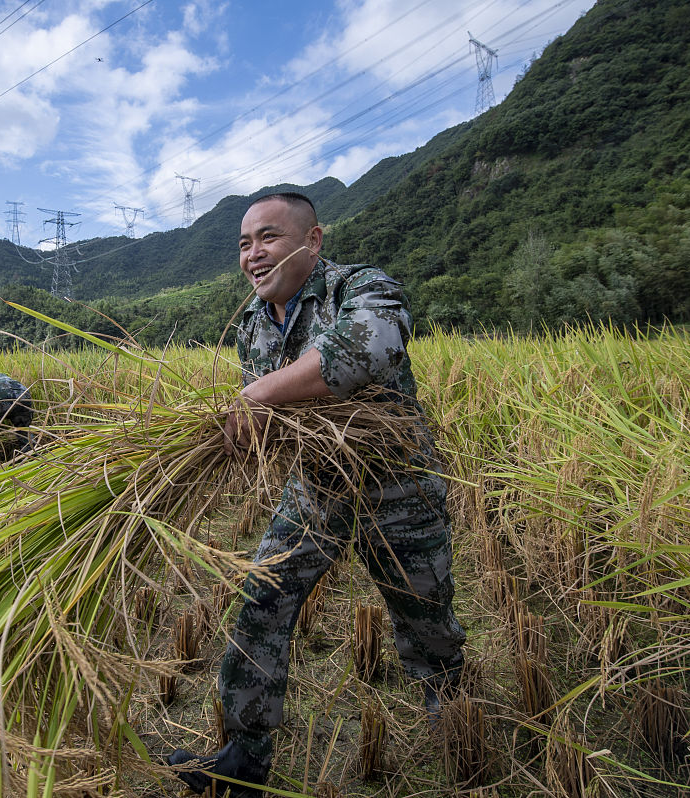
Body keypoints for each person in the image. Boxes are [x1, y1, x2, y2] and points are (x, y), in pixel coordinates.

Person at [168, 193, 466, 797]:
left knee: (426, 624)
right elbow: (276, 417)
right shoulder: (251, 326)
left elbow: (363, 352)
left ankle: (459, 736)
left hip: (396, 485)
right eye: (245, 244)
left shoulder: (360, 288)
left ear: (313, 241)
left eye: (268, 238)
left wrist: (253, 401)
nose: (254, 255)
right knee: (259, 608)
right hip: (315, 492)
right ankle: (244, 758)